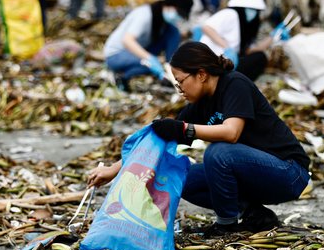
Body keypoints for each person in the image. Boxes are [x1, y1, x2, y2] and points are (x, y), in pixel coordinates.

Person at [88, 41, 311, 235]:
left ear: (201, 74)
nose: (179, 89)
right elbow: (157, 141)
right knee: (182, 177)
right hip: (254, 173)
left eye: (181, 81)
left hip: (288, 172)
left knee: (218, 153)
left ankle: (226, 225)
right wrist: (113, 169)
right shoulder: (199, 105)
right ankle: (254, 214)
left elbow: (231, 132)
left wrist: (185, 129)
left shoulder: (235, 84)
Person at [103, 0, 193, 91]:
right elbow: (127, 40)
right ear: (169, 4)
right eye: (178, 13)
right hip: (116, 54)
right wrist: (150, 58)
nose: (178, 17)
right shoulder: (145, 15)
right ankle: (122, 77)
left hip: (139, 49)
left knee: (174, 32)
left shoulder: (162, 19)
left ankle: (171, 69)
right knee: (149, 64)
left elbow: (172, 37)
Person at [197, 0, 286, 81]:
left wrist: (274, 36)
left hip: (227, 66)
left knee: (260, 58)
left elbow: (250, 50)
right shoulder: (230, 14)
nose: (253, 12)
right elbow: (207, 28)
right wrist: (227, 48)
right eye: (250, 9)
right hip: (211, 64)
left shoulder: (246, 27)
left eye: (255, 10)